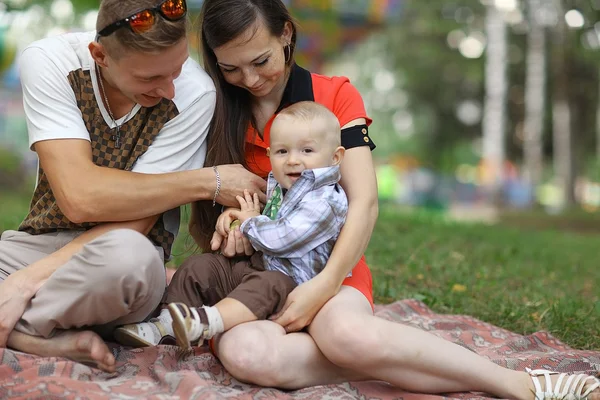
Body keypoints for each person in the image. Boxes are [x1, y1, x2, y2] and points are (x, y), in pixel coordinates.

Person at [161, 0, 600, 398]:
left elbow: (364, 202)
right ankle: (391, 361)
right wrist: (233, 224)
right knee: (246, 354)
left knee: (345, 335)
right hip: (252, 280)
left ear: (287, 35)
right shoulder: (212, 105)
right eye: (231, 69)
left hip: (329, 264)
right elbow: (213, 206)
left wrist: (326, 285)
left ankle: (513, 383)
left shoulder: (334, 95)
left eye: (261, 61)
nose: (250, 80)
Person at [0, 0, 266, 373]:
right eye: (150, 79)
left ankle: (15, 322)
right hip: (39, 246)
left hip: (119, 259)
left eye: (176, 69)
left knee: (131, 260)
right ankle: (32, 334)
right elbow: (79, 199)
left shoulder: (195, 92)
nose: (170, 89)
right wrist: (207, 181)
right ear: (100, 55)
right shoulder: (50, 61)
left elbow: (134, 222)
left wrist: (21, 284)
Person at [113, 101, 348, 351]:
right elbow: (259, 223)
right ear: (269, 155)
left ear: (335, 157)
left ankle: (206, 322)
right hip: (253, 268)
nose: (292, 160)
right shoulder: (282, 189)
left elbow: (284, 237)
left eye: (307, 151)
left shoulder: (325, 200)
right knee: (200, 267)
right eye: (282, 152)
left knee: (269, 285)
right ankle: (167, 325)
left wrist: (249, 222)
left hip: (291, 286)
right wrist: (236, 220)